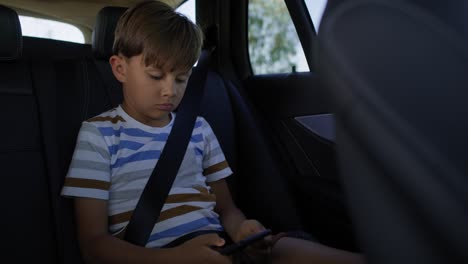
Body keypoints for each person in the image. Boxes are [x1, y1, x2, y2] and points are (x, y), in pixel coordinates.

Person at [61, 1, 365, 264]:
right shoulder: (99, 135)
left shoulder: (197, 129)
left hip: (218, 249)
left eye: (182, 78)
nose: (170, 90)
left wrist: (242, 229)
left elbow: (226, 208)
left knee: (287, 248)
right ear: (119, 69)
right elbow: (94, 246)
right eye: (156, 76)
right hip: (155, 257)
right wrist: (176, 259)